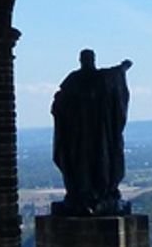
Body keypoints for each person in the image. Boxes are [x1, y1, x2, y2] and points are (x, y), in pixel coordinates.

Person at [50, 49, 132, 216]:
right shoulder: (75, 79)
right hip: (79, 135)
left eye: (89, 58)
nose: (87, 61)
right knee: (81, 164)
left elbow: (114, 74)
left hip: (99, 133)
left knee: (101, 161)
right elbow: (61, 102)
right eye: (85, 58)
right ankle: (83, 195)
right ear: (81, 60)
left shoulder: (99, 77)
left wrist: (123, 67)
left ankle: (100, 194)